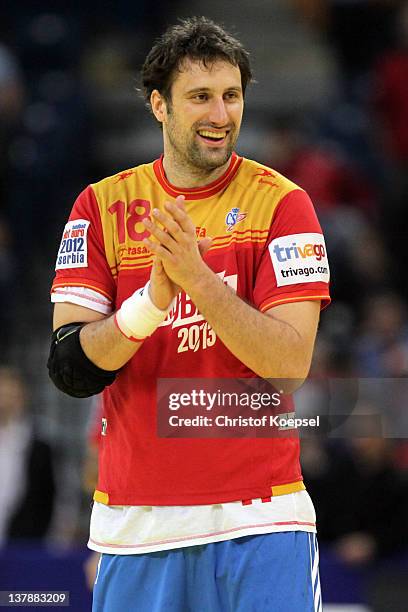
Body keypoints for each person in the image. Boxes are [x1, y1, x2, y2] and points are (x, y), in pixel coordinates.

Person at [48, 17, 330, 612]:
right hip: (137, 522)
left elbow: (290, 364)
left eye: (232, 97)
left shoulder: (284, 203)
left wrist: (198, 280)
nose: (220, 115)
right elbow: (69, 368)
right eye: (200, 97)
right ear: (159, 105)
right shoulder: (100, 206)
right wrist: (150, 304)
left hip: (261, 516)